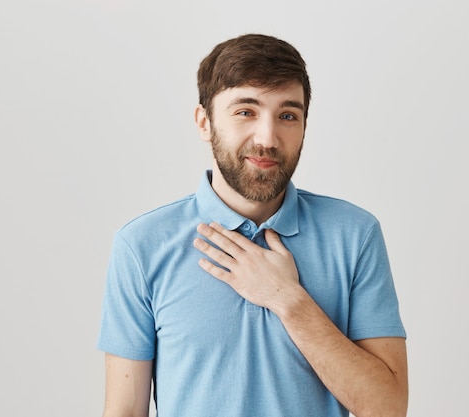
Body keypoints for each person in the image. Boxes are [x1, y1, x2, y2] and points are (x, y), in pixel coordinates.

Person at [97, 33, 408, 417]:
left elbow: (389, 407)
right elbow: (124, 411)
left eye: (287, 116)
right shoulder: (142, 245)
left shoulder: (355, 235)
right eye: (246, 111)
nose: (268, 137)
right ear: (204, 122)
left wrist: (288, 301)